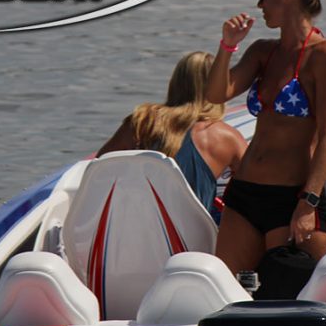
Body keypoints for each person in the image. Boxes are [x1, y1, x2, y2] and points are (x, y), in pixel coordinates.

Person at [206, 0, 326, 274]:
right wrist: (227, 47)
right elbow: (215, 95)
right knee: (228, 289)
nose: (259, 5)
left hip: (292, 198)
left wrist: (308, 203)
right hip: (244, 195)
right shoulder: (262, 51)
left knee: (287, 292)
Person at [96, 51, 247, 212]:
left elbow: (99, 167)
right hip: (193, 226)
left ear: (175, 82)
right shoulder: (227, 137)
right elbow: (255, 187)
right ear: (219, 86)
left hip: (139, 219)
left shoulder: (143, 120)